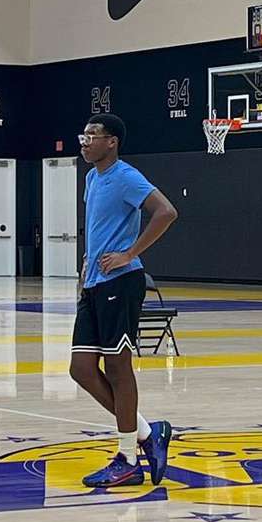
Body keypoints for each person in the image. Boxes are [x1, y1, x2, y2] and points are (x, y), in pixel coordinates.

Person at [69, 113, 178, 489]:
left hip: (121, 281)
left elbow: (166, 212)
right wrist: (87, 260)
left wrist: (130, 253)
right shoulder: (91, 178)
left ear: (111, 141)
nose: (84, 141)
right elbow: (99, 225)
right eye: (83, 134)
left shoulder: (127, 176)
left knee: (118, 369)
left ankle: (128, 458)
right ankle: (149, 432)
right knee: (80, 369)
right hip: (96, 281)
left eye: (92, 135)